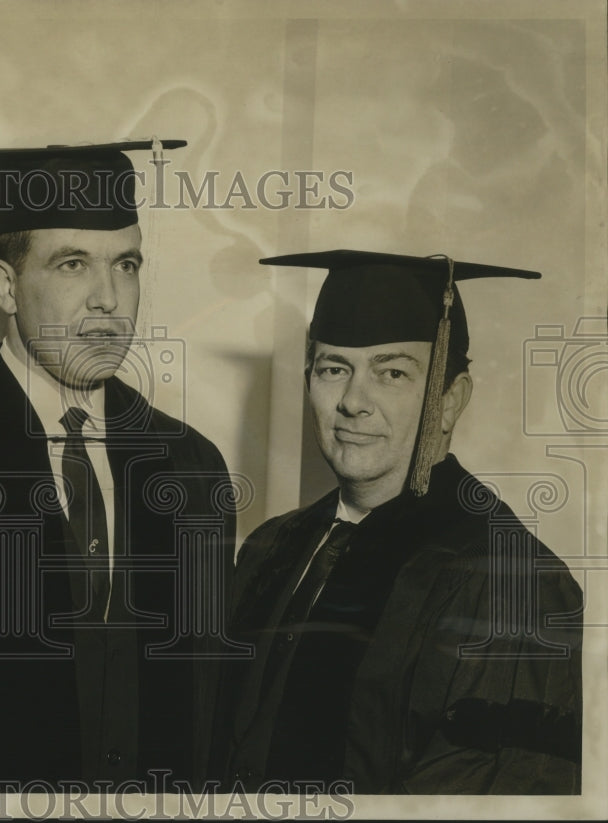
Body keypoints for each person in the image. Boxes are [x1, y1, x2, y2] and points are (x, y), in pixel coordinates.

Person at [0, 142, 239, 788]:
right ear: (6, 285)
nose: (108, 300)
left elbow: (207, 705)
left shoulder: (190, 466)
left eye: (127, 264)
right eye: (72, 264)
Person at [213, 250, 582, 794]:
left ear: (451, 400)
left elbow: (494, 790)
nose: (354, 402)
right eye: (335, 369)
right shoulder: (272, 547)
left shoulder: (512, 584)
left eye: (392, 373)